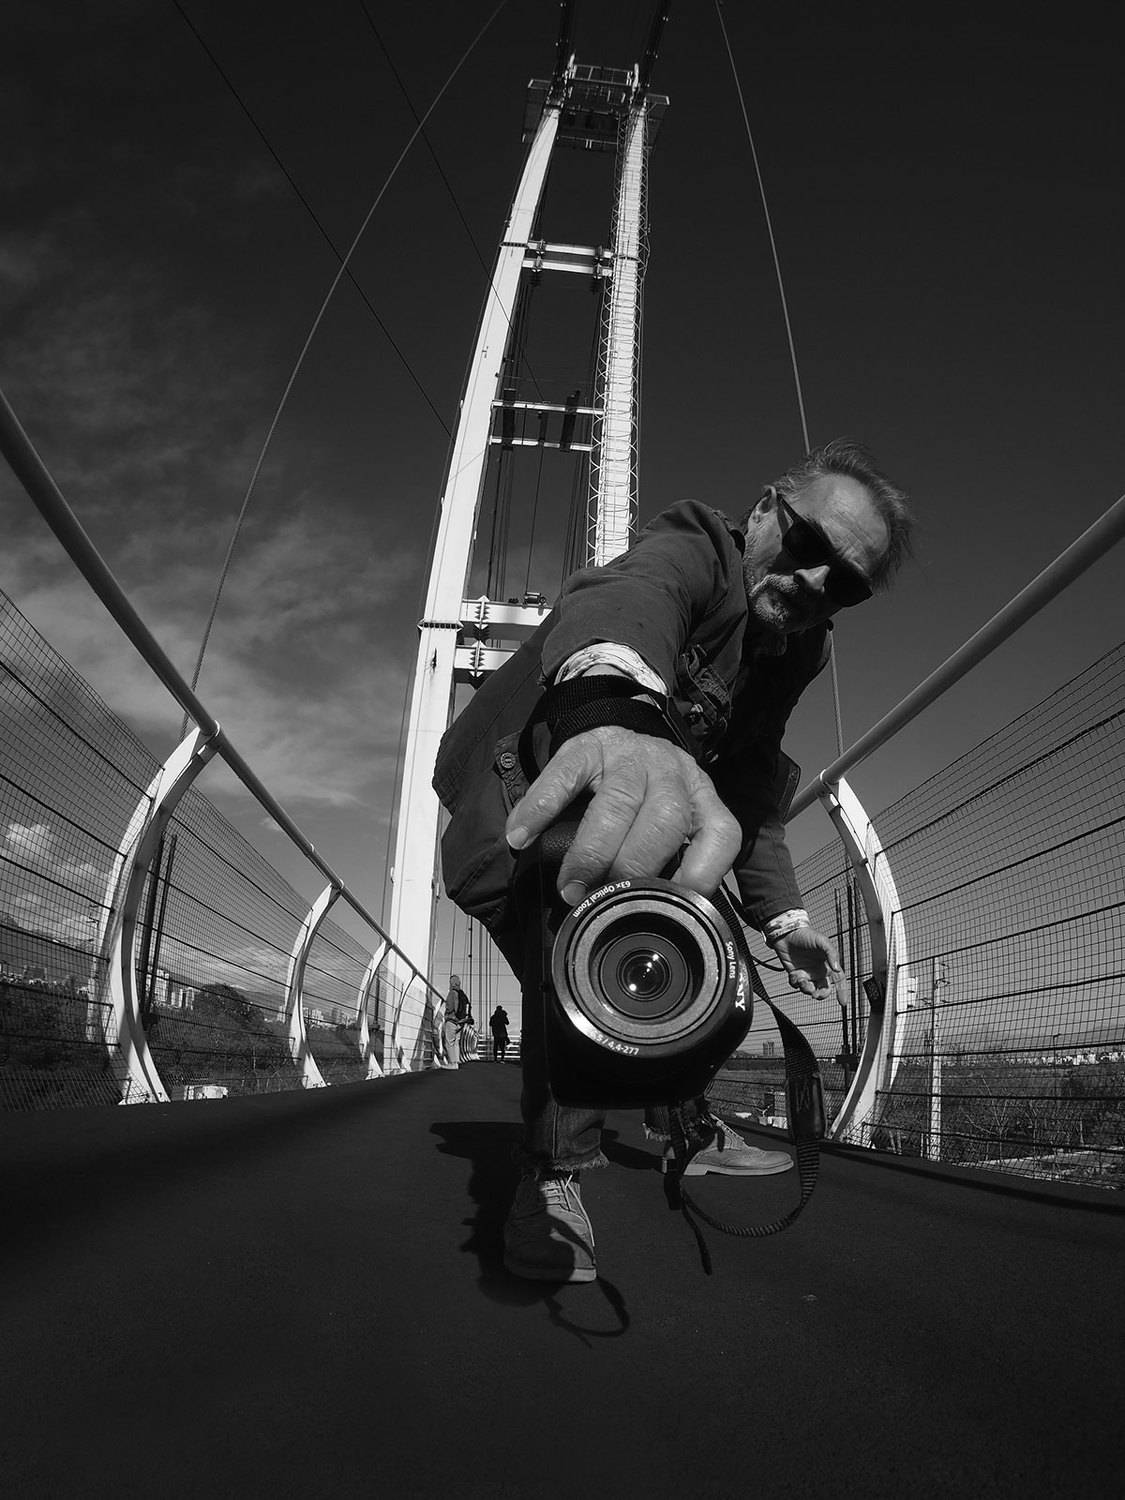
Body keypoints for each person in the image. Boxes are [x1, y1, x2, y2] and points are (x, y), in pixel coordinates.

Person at [434, 440, 912, 1282]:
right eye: (807, 544)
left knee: (696, 951)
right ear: (764, 510)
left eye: (844, 584)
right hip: (515, 806)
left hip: (637, 816)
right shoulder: (698, 545)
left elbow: (748, 780)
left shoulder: (800, 649)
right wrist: (609, 707)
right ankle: (551, 1176)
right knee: (579, 974)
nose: (813, 583)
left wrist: (783, 917)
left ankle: (686, 1129)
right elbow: (633, 595)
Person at [441, 974, 471, 1070]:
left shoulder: (452, 993)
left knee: (449, 1042)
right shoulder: (463, 994)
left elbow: (450, 1007)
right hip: (461, 1022)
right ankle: (457, 1061)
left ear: (452, 983)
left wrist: (446, 1013)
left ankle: (453, 1063)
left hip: (452, 1020)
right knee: (456, 1042)